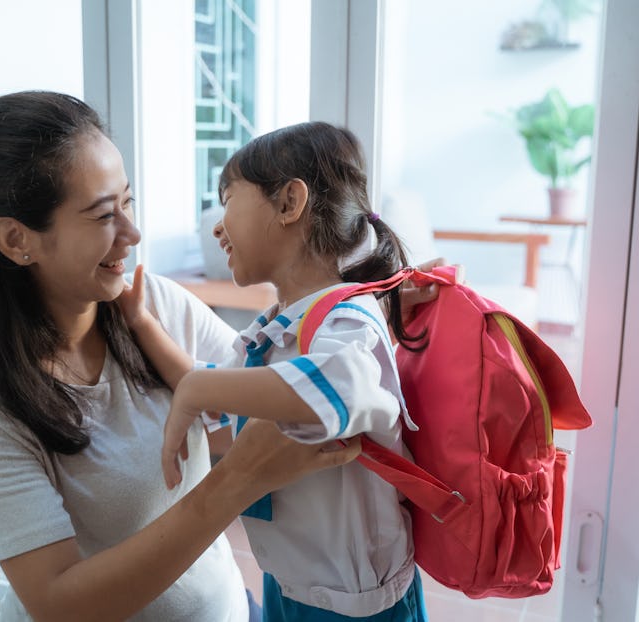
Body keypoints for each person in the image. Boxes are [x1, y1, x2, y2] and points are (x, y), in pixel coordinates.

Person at [0, 91, 367, 622]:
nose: (132, 234)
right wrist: (237, 482)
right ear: (17, 239)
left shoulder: (149, 303)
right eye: (104, 215)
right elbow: (57, 603)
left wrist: (377, 312)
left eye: (127, 202)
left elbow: (269, 409)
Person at [121, 121, 431, 621]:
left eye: (227, 200)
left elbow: (339, 388)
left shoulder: (349, 319)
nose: (218, 225)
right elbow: (222, 391)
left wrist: (202, 388)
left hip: (356, 606)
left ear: (289, 203)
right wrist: (141, 323)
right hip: (289, 584)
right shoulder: (277, 329)